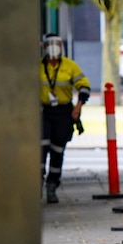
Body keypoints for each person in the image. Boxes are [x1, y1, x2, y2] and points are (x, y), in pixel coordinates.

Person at [39, 34, 91, 203]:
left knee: (57, 150)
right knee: (40, 148)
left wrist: (78, 106)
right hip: (43, 112)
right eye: (50, 44)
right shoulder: (38, 66)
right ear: (43, 46)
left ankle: (52, 184)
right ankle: (37, 183)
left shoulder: (69, 66)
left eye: (57, 44)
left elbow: (83, 86)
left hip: (63, 113)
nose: (53, 47)